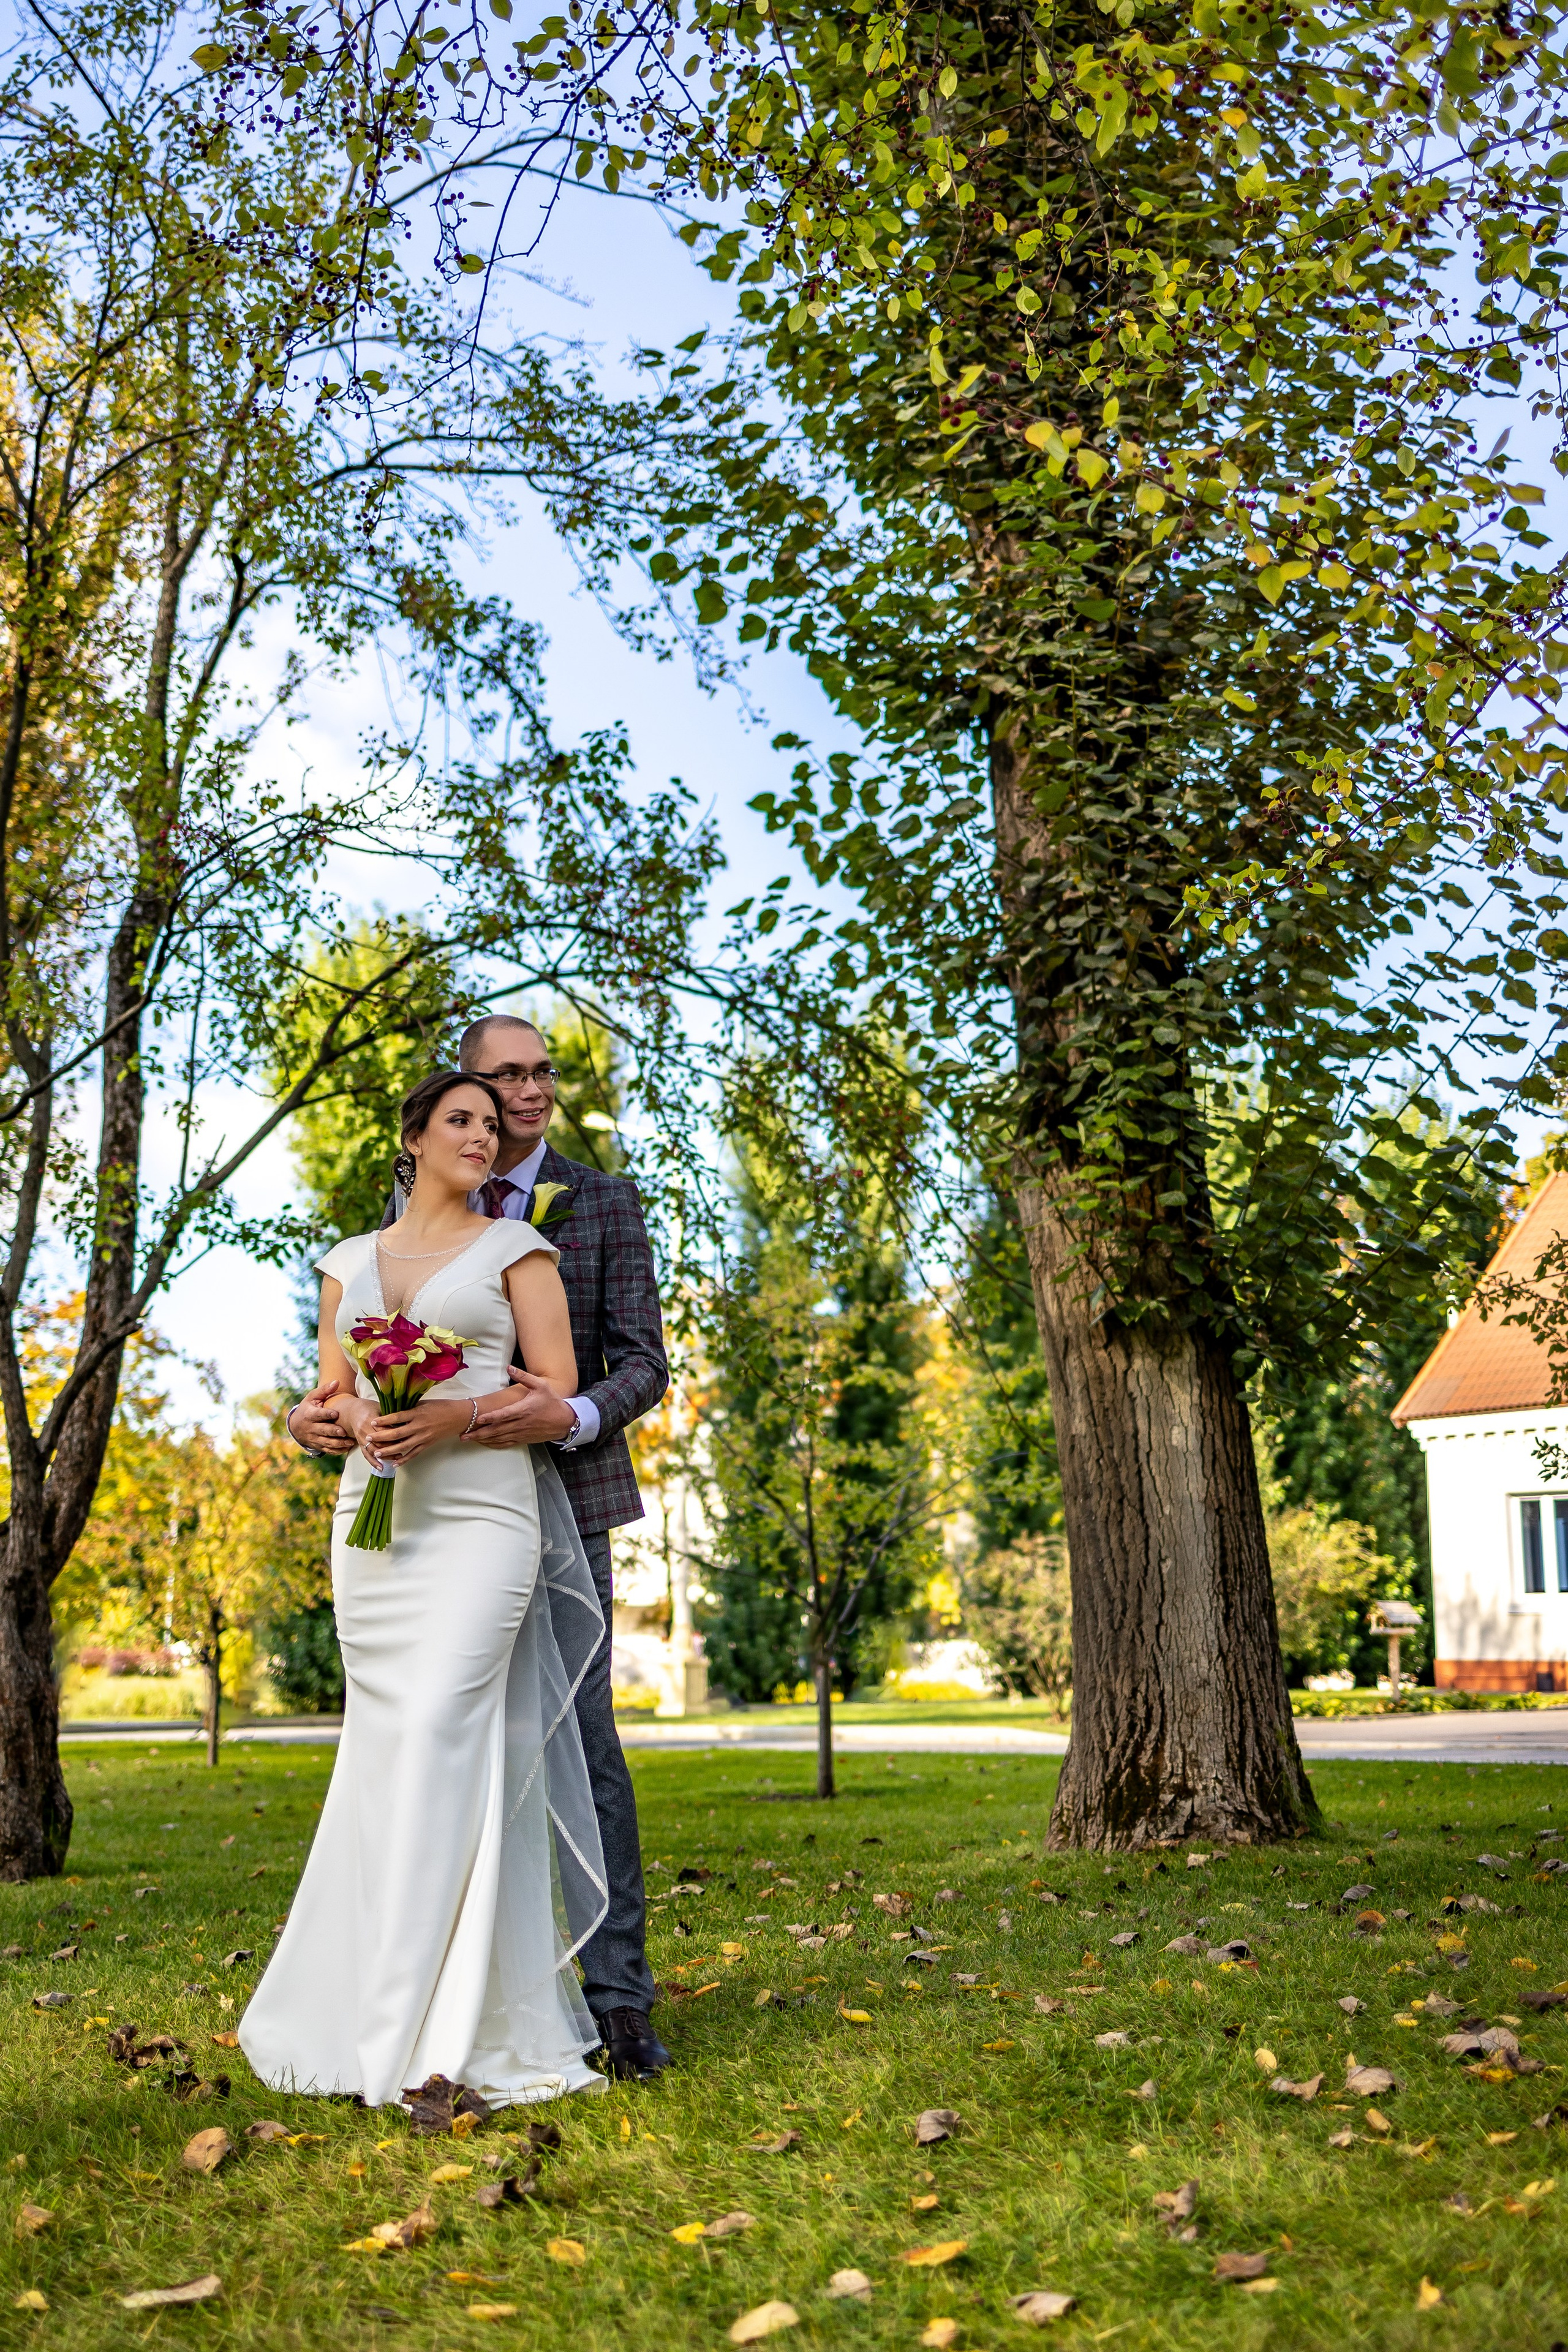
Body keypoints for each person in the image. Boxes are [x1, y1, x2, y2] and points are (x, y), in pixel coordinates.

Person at [286, 1016, 671, 2082]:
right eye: (505, 1076)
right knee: (415, 1741)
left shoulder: (598, 1202)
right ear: (439, 1114)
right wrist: (318, 1416)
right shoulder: (409, 1213)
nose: (527, 1093)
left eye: (539, 1075)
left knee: (578, 1741)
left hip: (552, 1503)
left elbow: (641, 1362)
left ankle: (620, 1997)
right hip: (403, 1517)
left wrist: (573, 1418)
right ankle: (415, 1982)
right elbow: (354, 1361)